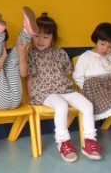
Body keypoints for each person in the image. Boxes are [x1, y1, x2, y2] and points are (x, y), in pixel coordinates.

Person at [19, 13, 101, 163]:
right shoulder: (30, 54)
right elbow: (27, 77)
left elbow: (67, 72)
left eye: (46, 37)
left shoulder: (60, 53)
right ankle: (63, 142)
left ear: (53, 38)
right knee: (61, 106)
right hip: (44, 92)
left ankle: (89, 140)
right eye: (37, 36)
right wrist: (31, 97)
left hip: (65, 89)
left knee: (87, 105)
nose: (40, 40)